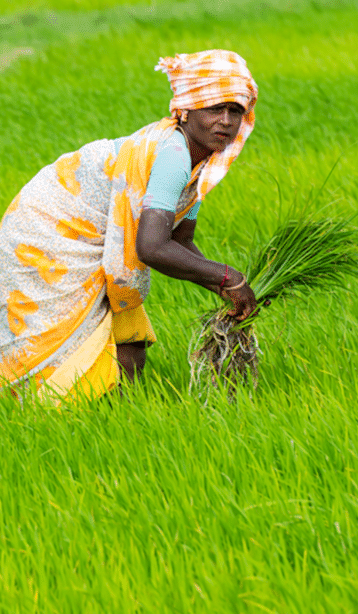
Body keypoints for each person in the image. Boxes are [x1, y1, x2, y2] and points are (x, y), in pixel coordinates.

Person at [1, 49, 261, 404]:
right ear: (186, 110)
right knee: (61, 339)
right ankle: (52, 407)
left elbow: (180, 240)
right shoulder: (173, 156)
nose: (227, 121)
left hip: (85, 232)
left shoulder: (202, 162)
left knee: (130, 345)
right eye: (215, 108)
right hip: (48, 233)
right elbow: (151, 248)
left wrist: (223, 286)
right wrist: (228, 277)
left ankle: (119, 411)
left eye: (236, 111)